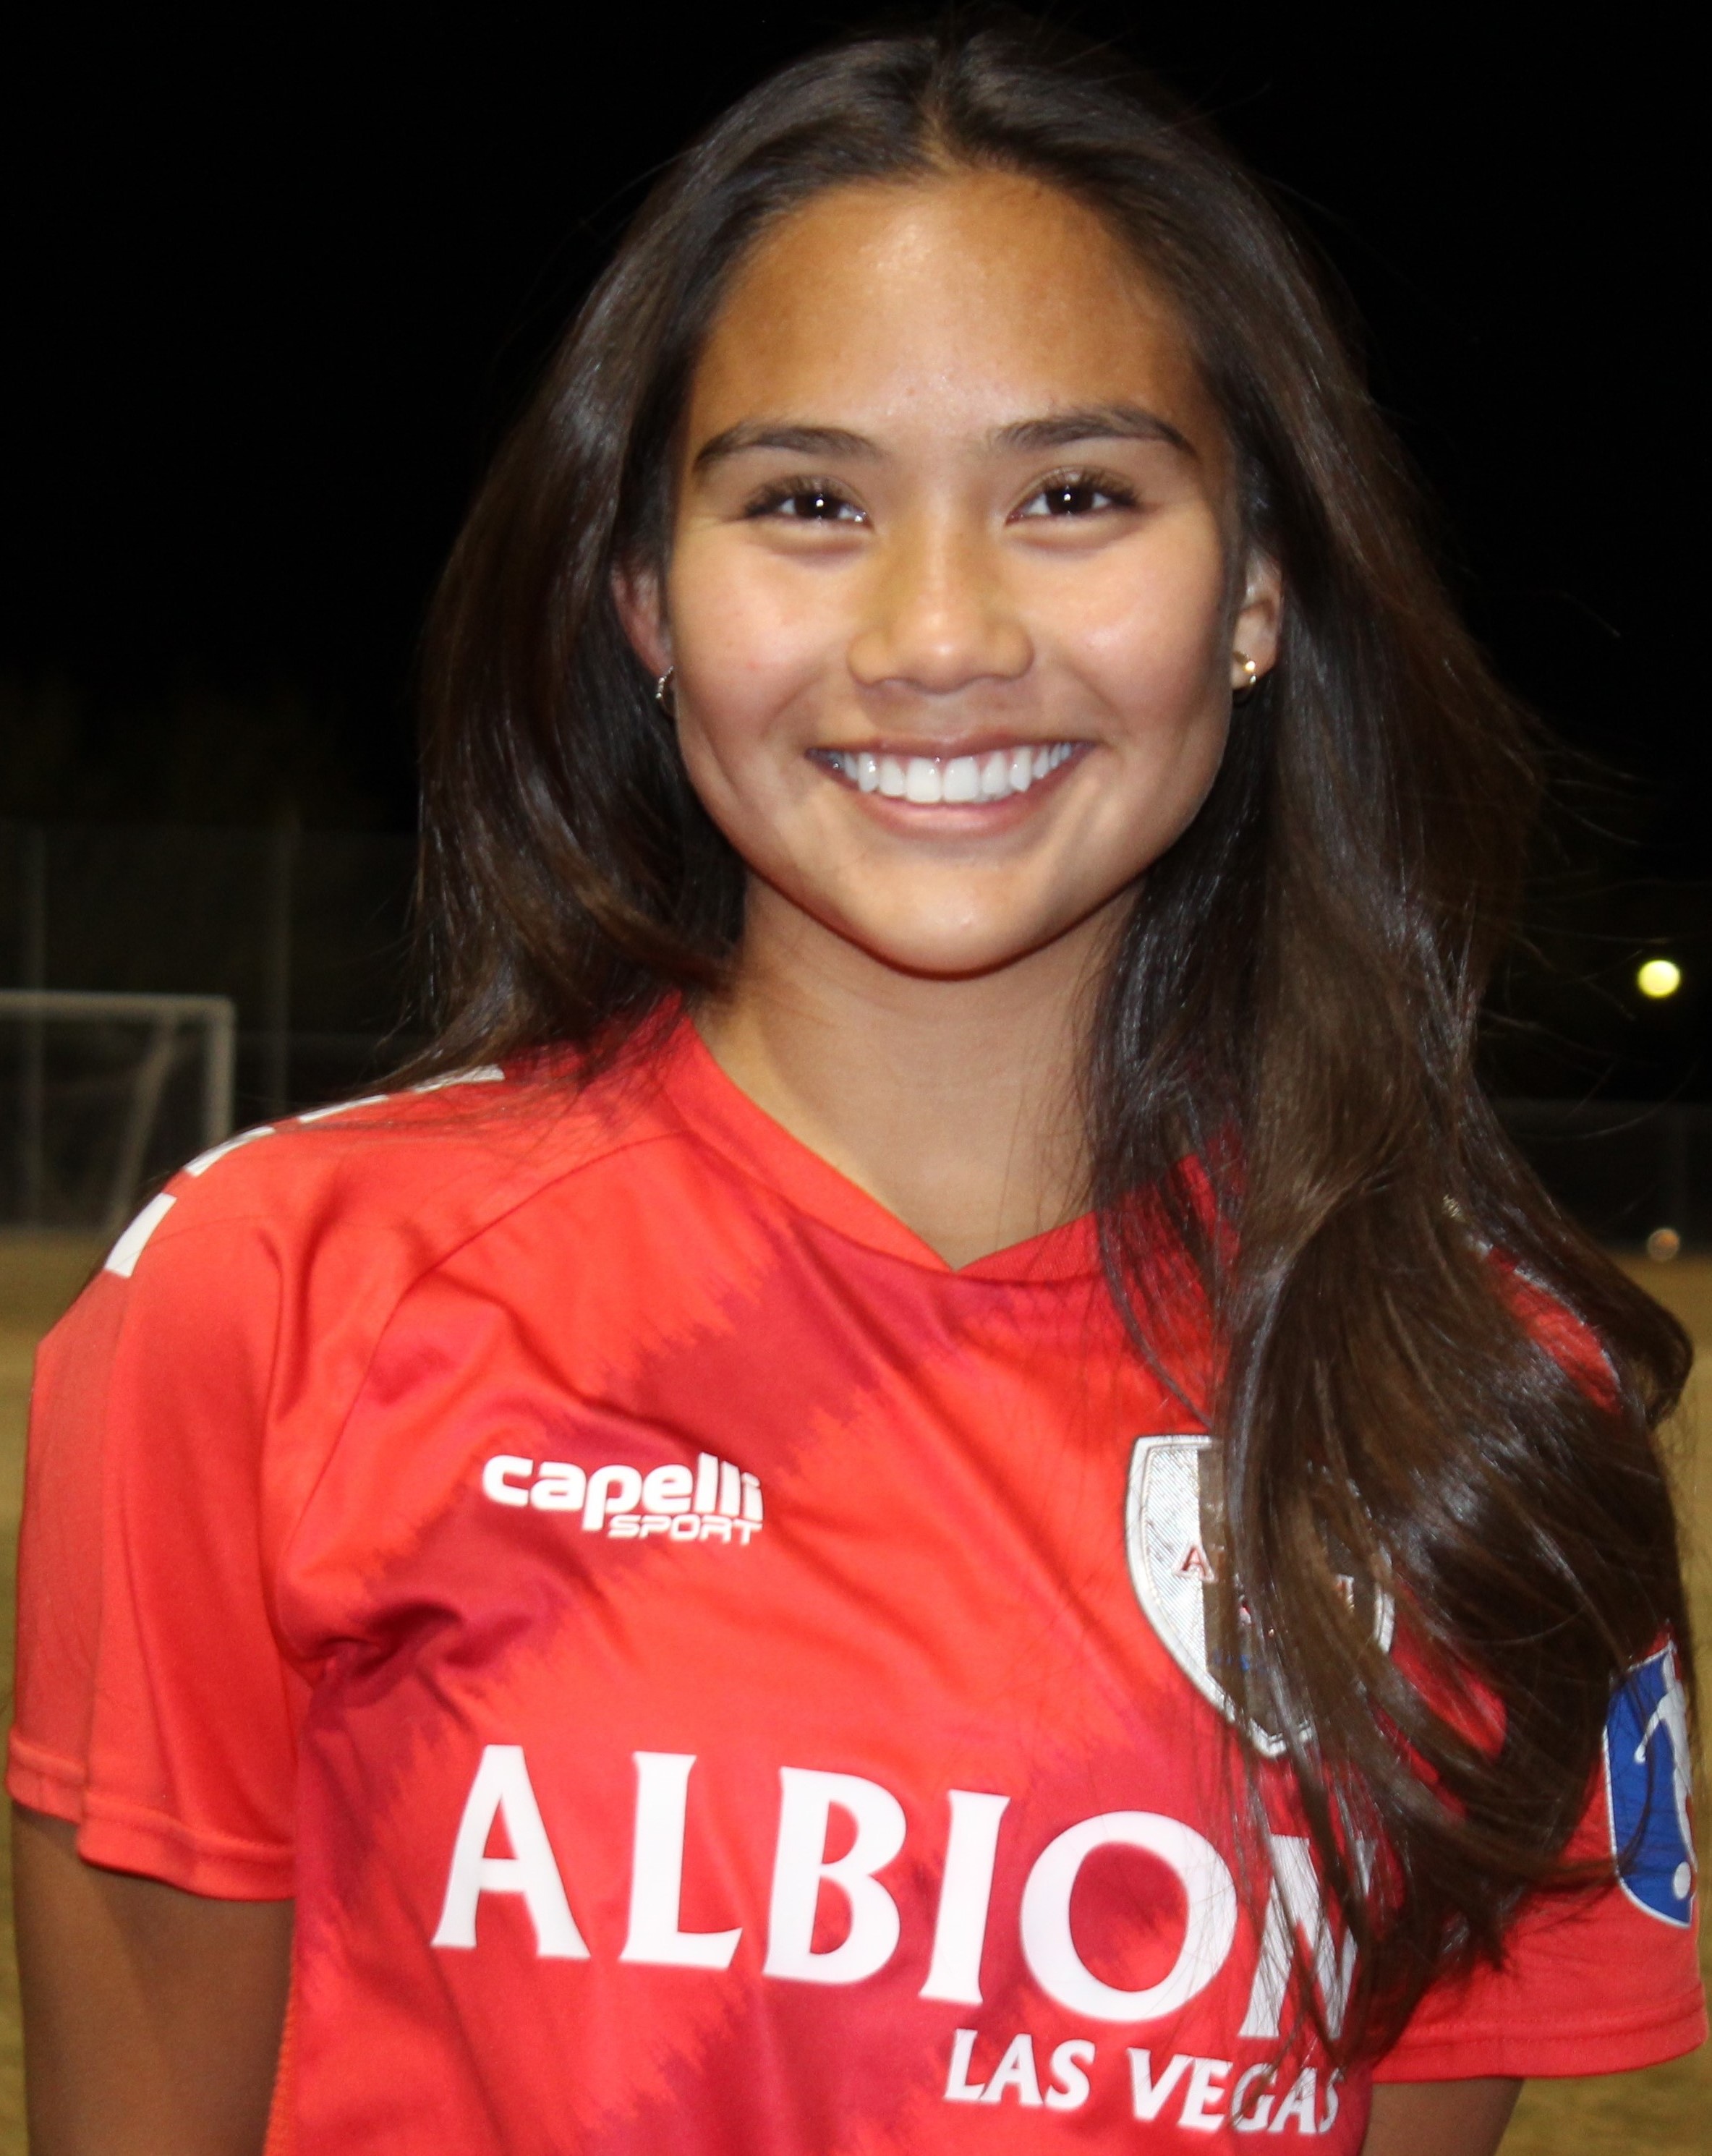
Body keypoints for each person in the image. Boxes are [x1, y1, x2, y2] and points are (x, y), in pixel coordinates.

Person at [9, 17, 1703, 2153]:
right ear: (645, 599)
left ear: (1259, 590)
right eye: (808, 502)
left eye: (1074, 496)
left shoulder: (1478, 1407)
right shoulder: (276, 1303)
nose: (937, 634)